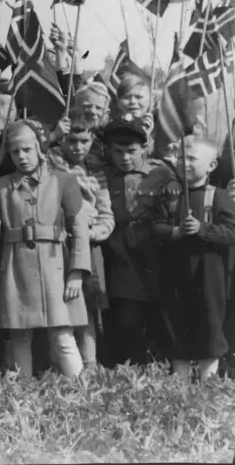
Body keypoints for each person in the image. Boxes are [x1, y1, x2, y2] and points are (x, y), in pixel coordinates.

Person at [0, 120, 90, 378]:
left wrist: (77, 271)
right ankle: (23, 393)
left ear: (41, 149)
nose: (21, 157)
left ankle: (83, 389)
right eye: (15, 151)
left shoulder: (64, 181)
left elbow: (80, 229)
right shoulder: (0, 186)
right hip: (15, 266)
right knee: (20, 333)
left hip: (55, 266)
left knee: (61, 332)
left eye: (27, 150)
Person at [149, 138, 235, 379]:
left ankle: (209, 382)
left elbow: (231, 231)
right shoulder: (169, 197)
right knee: (176, 323)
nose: (183, 163)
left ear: (211, 165)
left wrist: (203, 229)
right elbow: (154, 228)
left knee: (209, 324)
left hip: (209, 274)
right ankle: (181, 382)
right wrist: (174, 231)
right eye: (180, 158)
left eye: (192, 158)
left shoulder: (218, 196)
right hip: (175, 275)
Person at [47, 111, 114, 369]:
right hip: (58, 241)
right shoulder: (50, 161)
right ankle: (61, 365)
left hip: (88, 243)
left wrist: (93, 231)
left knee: (88, 307)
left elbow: (107, 213)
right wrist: (51, 136)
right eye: (71, 141)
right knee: (61, 304)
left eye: (84, 141)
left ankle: (90, 365)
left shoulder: (96, 169)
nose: (77, 147)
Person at [96, 118, 164, 366]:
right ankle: (127, 364)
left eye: (131, 151)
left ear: (144, 149)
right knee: (126, 317)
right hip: (120, 256)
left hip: (153, 255)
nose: (125, 158)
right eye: (118, 151)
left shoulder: (160, 173)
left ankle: (157, 360)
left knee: (158, 313)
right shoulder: (103, 175)